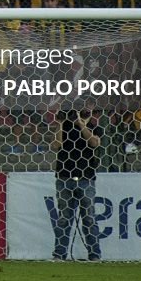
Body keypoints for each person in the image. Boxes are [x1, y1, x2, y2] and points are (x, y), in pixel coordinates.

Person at [51, 109, 103, 261]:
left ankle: (94, 255)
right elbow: (56, 144)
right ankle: (59, 254)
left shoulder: (94, 128)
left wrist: (81, 125)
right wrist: (60, 123)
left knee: (89, 218)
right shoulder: (65, 127)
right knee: (64, 219)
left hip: (86, 178)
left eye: (85, 115)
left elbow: (94, 143)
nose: (80, 117)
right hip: (64, 177)